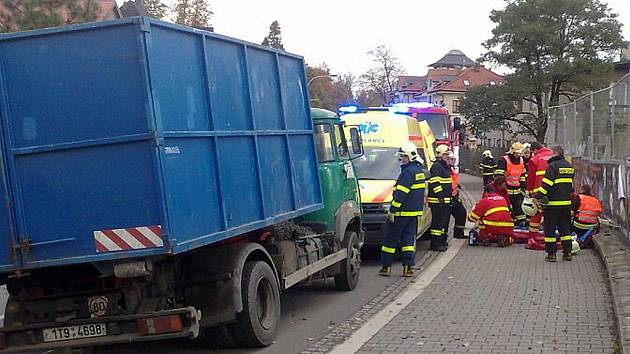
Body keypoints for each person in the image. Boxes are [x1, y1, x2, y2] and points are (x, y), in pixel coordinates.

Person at [379, 142, 426, 277]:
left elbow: (401, 194)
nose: (401, 160)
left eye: (403, 157)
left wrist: (392, 210)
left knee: (390, 240)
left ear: (409, 157)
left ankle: (386, 267)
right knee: (408, 241)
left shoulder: (407, 173)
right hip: (413, 214)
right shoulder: (419, 171)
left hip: (400, 213)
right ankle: (408, 268)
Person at [533, 145, 575, 262]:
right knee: (565, 229)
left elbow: (546, 185)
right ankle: (567, 253)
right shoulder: (569, 166)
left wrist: (537, 196)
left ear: (555, 154)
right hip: (566, 204)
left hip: (552, 205)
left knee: (550, 229)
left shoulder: (552, 166)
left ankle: (551, 254)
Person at [525, 142, 553, 250]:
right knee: (551, 215)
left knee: (535, 216)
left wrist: (529, 192)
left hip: (539, 192)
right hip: (553, 191)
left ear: (535, 150)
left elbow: (531, 178)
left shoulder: (535, 159)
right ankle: (550, 239)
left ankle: (532, 239)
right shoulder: (552, 154)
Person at [495, 142, 527, 226]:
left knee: (519, 209)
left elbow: (523, 174)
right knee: (505, 209)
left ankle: (521, 224)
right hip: (505, 190)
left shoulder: (521, 160)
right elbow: (499, 175)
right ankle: (505, 224)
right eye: (517, 153)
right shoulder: (504, 160)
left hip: (517, 190)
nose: (518, 155)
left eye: (520, 153)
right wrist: (501, 186)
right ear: (512, 152)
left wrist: (523, 185)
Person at [428, 144, 453, 252]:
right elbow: (435, 183)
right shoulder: (437, 166)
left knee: (443, 223)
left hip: (444, 201)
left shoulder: (444, 166)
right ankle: (435, 244)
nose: (447, 157)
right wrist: (441, 196)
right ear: (441, 155)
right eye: (446, 155)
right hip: (437, 201)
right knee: (437, 223)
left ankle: (442, 241)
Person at [448, 152, 467, 239]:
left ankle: (458, 233)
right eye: (451, 159)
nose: (453, 161)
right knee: (444, 220)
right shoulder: (443, 169)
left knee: (461, 213)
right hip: (448, 198)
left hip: (454, 196)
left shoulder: (450, 169)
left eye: (453, 159)